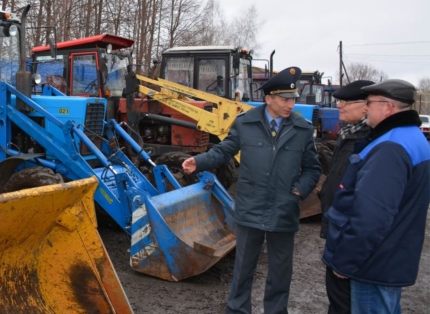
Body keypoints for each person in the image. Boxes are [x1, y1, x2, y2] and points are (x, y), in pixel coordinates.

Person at [182, 66, 322, 314]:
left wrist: (299, 191)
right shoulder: (245, 123)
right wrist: (199, 161)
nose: (291, 104)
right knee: (243, 267)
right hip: (251, 206)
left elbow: (312, 168)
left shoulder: (301, 129)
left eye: (293, 99)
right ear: (268, 99)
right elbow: (224, 150)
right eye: (285, 99)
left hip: (284, 208)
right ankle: (237, 310)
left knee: (280, 271)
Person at [322, 79, 430, 314]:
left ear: (388, 107)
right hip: (391, 255)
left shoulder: (389, 147)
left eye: (369, 103)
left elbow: (371, 217)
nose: (366, 108)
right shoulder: (412, 137)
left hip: (372, 265)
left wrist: (345, 262)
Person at [318, 80, 374, 314]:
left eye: (345, 102)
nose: (339, 106)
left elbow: (366, 201)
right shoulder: (349, 134)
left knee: (346, 300)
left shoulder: (367, 140)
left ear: (365, 107)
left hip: (348, 233)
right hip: (338, 227)